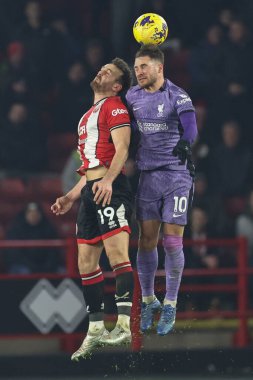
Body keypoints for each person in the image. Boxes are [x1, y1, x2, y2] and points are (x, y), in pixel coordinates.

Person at [51, 57, 133, 361]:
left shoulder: (116, 106)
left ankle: (124, 323)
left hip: (110, 189)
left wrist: (109, 181)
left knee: (117, 256)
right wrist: (71, 197)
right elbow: (89, 169)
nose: (101, 72)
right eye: (101, 69)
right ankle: (96, 327)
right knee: (85, 262)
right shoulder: (86, 116)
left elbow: (122, 149)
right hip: (90, 192)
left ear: (116, 86)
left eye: (108, 73)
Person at [126, 44, 198, 336]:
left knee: (171, 242)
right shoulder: (132, 96)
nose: (138, 72)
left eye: (144, 66)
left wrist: (185, 141)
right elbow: (124, 128)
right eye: (136, 66)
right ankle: (148, 300)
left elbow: (191, 126)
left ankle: (170, 302)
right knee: (145, 241)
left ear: (159, 67)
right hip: (148, 176)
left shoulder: (177, 95)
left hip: (176, 175)